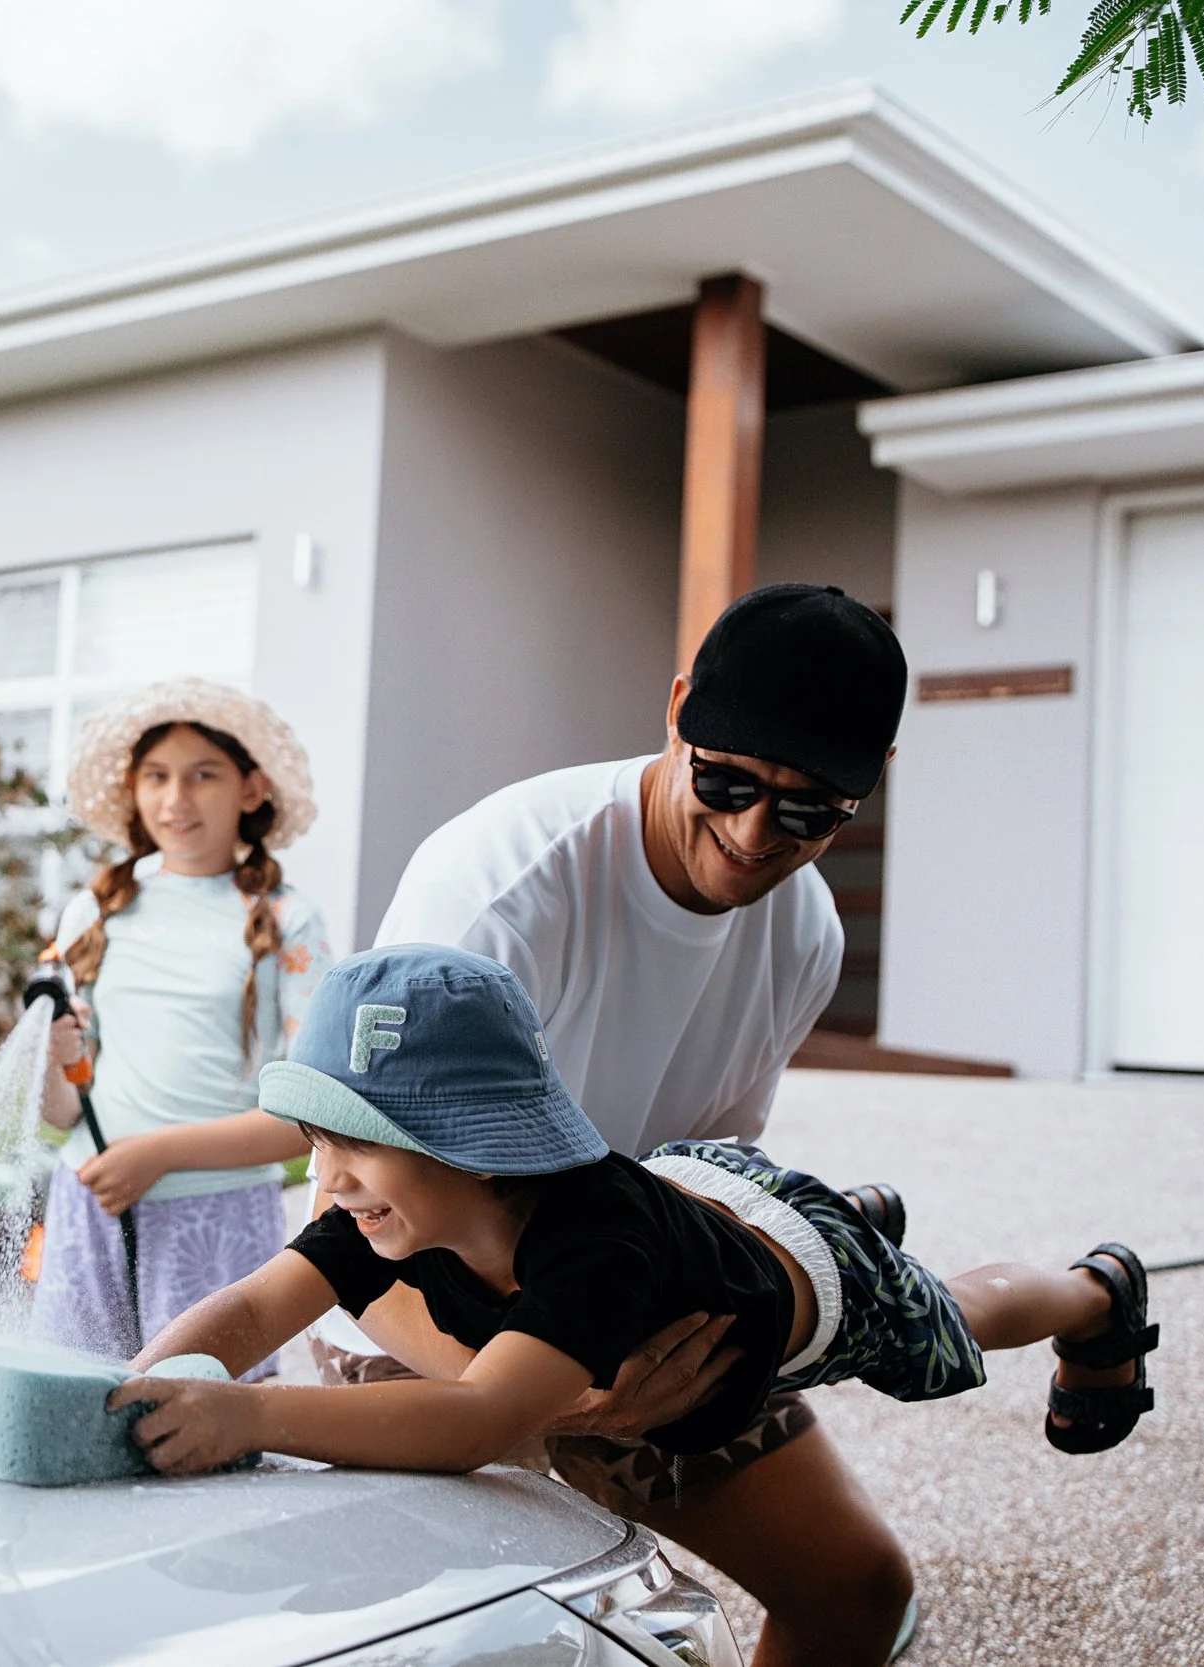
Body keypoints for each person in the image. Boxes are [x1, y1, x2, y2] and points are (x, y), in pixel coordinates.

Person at [351, 583, 929, 1664]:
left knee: (857, 1588)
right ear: (676, 710)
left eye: (811, 810)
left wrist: (692, 1341)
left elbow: (699, 1174)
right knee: (495, 1635)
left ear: (867, 785)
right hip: (425, 1315)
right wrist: (526, 1392)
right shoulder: (502, 886)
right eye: (727, 781)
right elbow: (350, 1218)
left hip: (624, 1299)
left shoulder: (802, 931)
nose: (757, 834)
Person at [115, 944, 1159, 1496]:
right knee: (742, 1232)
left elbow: (478, 1418)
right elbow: (253, 1309)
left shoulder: (593, 1247)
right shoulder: (380, 1207)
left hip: (796, 1282)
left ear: (476, 1140)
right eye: (315, 1137)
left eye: (358, 1139)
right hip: (690, 1201)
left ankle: (1094, 1290)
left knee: (951, 1313)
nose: (326, 1176)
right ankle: (849, 1209)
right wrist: (138, 1391)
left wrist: (249, 1416)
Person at [30, 679, 334, 1368]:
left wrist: (159, 1154)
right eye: (157, 777)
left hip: (216, 1214)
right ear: (134, 791)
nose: (176, 798)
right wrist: (54, 1056)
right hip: (91, 1202)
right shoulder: (96, 912)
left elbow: (306, 1116)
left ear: (252, 789)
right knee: (74, 1405)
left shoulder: (289, 922)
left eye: (204, 775)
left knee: (204, 1425)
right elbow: (63, 1110)